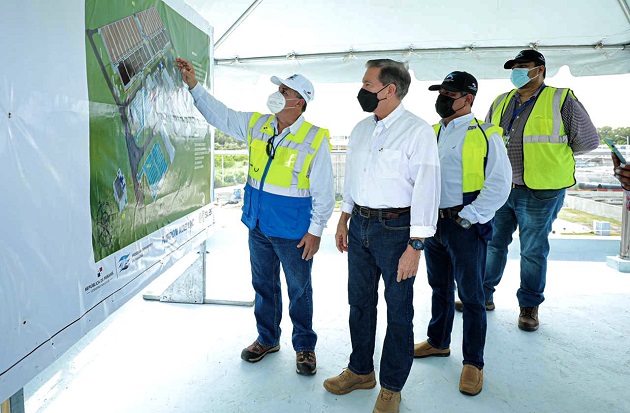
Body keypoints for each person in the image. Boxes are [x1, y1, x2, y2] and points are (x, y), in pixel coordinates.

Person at [175, 58, 335, 376]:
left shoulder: (314, 138)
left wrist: (316, 231)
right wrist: (194, 85)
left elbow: (325, 192)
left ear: (299, 101)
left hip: (293, 230)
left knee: (299, 288)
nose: (277, 93)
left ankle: (305, 347)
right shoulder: (257, 124)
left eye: (284, 90)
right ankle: (267, 338)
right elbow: (220, 116)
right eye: (278, 88)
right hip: (258, 223)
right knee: (263, 284)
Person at [323, 59, 440, 413]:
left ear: (389, 89)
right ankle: (361, 370)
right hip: (359, 226)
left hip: (397, 231)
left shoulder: (417, 131)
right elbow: (354, 180)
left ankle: (391, 386)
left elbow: (426, 189)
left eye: (367, 83)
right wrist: (343, 219)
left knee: (399, 311)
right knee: (359, 303)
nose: (361, 90)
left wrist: (415, 246)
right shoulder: (361, 129)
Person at [474, 50, 600, 331]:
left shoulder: (561, 98)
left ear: (540, 69)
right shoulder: (501, 101)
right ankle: (484, 295)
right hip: (501, 189)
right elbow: (487, 140)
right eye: (514, 67)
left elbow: (588, 141)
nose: (517, 72)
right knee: (493, 244)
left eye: (523, 67)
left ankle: (528, 306)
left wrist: (551, 159)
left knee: (532, 250)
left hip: (541, 191)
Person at [413, 71, 511, 396]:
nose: (442, 98)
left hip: (465, 223)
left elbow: (500, 183)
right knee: (438, 286)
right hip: (434, 223)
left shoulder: (485, 134)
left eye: (449, 93)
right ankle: (439, 342)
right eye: (440, 92)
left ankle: (473, 363)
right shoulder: (430, 133)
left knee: (471, 296)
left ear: (468, 99)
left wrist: (471, 217)